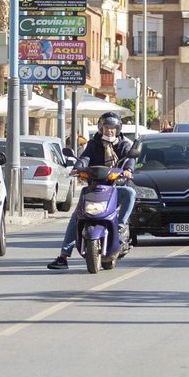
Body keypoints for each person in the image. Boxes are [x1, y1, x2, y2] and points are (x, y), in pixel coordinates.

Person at [47, 112, 137, 270]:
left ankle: (121, 225)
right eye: (106, 127)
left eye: (113, 128)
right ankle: (63, 256)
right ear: (101, 128)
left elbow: (130, 159)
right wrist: (77, 168)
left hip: (114, 188)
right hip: (94, 188)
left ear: (118, 129)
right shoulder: (93, 144)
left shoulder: (124, 145)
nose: (109, 131)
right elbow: (85, 158)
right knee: (77, 216)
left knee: (130, 193)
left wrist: (128, 170)